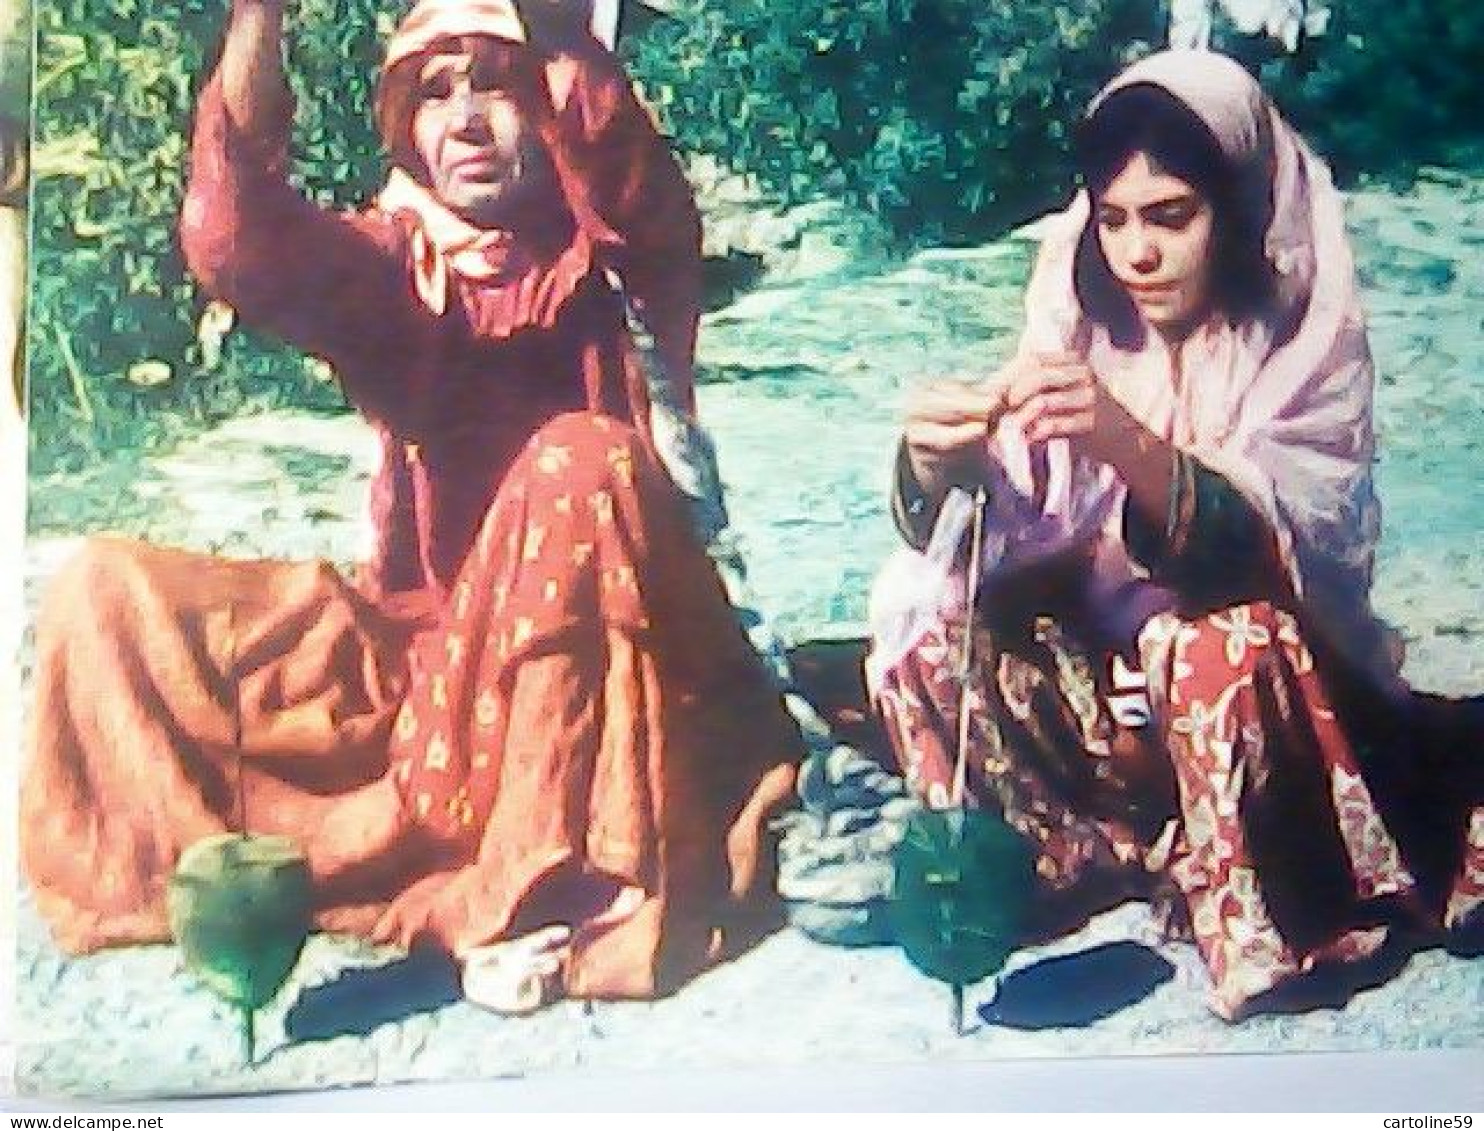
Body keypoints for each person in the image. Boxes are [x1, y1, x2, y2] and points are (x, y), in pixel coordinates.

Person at [21, 0, 801, 1011]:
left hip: (628, 648)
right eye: (433, 95)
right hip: (437, 672)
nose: (466, 121)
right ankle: (270, 877)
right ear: (403, 131)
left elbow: (618, 163)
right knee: (106, 588)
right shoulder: (400, 267)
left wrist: (554, 30)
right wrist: (261, 16)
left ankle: (508, 897)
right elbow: (231, 239)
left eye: (494, 86)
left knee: (579, 460)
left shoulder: (626, 255)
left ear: (549, 103)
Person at [868, 49, 1483, 1019]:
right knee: (917, 608)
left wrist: (1122, 440)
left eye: (1169, 216)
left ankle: (1271, 910)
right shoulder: (1083, 323)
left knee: (1214, 646)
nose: (1134, 253)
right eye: (1111, 220)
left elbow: (1266, 556)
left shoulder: (1297, 341)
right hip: (1116, 711)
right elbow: (1003, 524)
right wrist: (937, 465)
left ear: (1233, 209)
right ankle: (1063, 856)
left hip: (1281, 713)